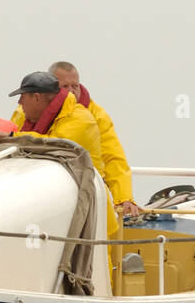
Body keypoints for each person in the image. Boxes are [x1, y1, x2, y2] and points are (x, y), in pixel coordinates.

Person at [0, 71, 119, 238]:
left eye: (23, 97)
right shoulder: (26, 117)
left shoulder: (80, 119)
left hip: (88, 208)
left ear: (36, 97)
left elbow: (56, 144)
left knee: (93, 260)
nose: (19, 102)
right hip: (54, 203)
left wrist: (12, 138)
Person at [49, 61, 138, 217]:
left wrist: (124, 197)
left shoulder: (95, 115)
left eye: (75, 86)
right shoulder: (31, 110)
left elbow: (113, 157)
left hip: (86, 188)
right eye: (65, 87)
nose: (71, 92)